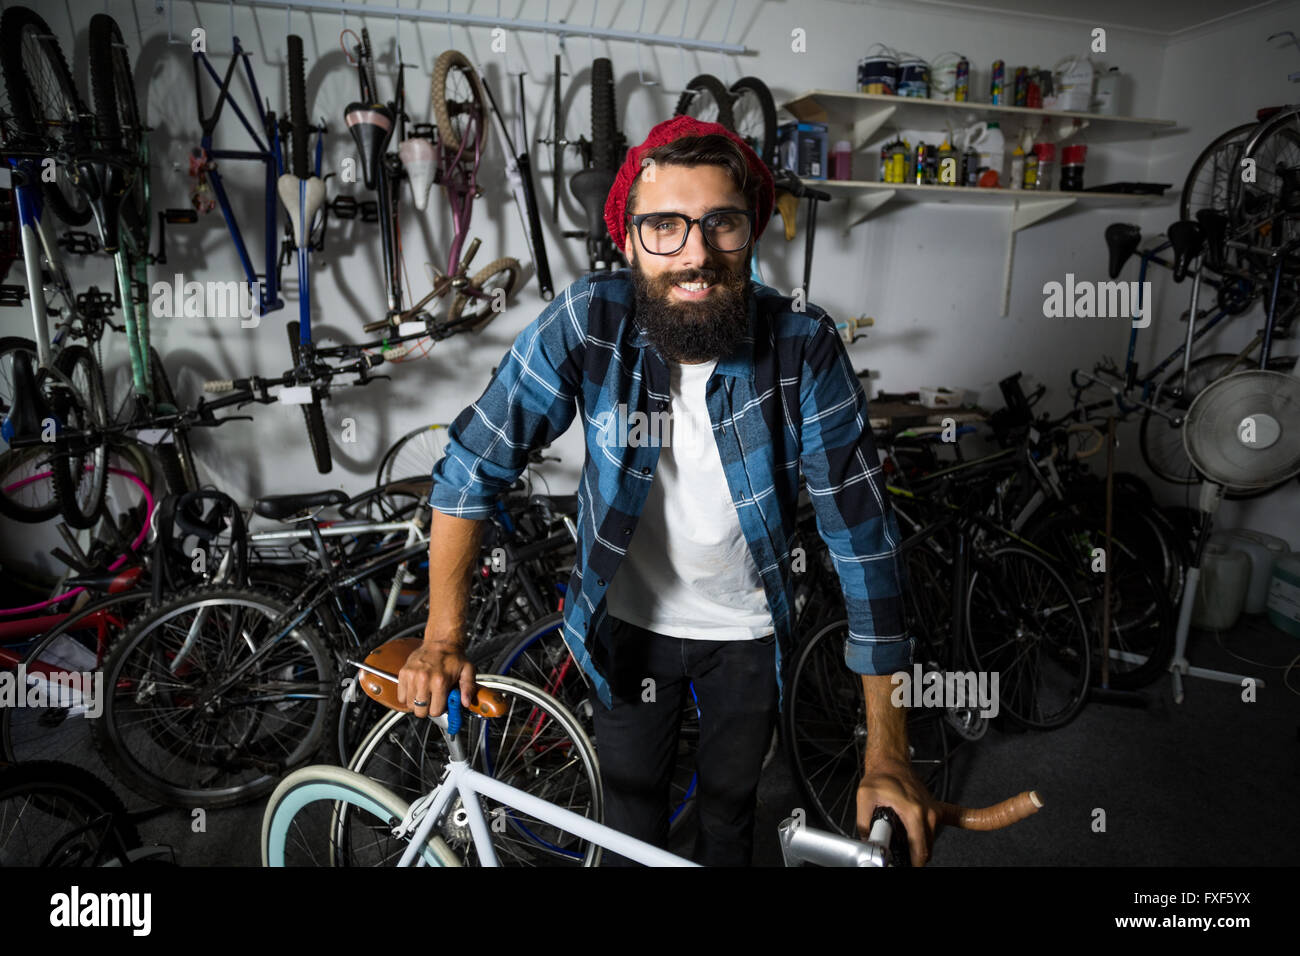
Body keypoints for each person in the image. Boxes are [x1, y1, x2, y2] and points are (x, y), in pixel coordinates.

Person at [398, 115, 937, 866]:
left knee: (729, 813)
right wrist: (443, 638)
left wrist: (887, 752)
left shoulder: (805, 346)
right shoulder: (590, 320)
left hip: (747, 632)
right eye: (665, 227)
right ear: (627, 240)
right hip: (625, 625)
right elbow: (473, 464)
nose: (696, 254)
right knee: (629, 819)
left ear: (752, 232)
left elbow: (864, 543)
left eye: (722, 223)